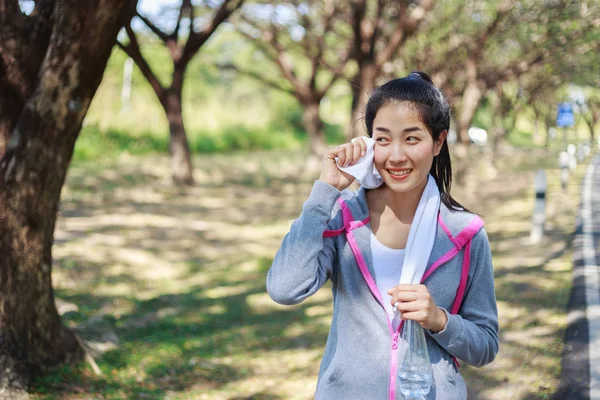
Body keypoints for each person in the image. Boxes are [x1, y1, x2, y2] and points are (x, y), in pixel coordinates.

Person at [266, 72, 499, 400]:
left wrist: (439, 319)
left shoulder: (466, 234)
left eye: (412, 139)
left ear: (439, 141)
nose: (396, 156)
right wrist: (325, 192)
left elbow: (485, 345)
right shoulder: (344, 218)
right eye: (384, 139)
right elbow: (284, 288)